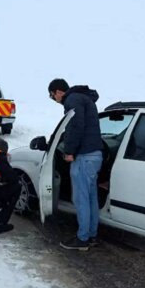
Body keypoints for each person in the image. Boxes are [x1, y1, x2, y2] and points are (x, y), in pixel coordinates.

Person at [48, 78, 103, 250]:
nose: (54, 100)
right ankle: (92, 235)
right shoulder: (85, 99)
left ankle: (82, 239)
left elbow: (75, 126)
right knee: (91, 197)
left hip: (84, 157)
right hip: (95, 155)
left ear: (58, 91)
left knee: (81, 199)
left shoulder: (72, 100)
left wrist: (69, 151)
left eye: (52, 96)